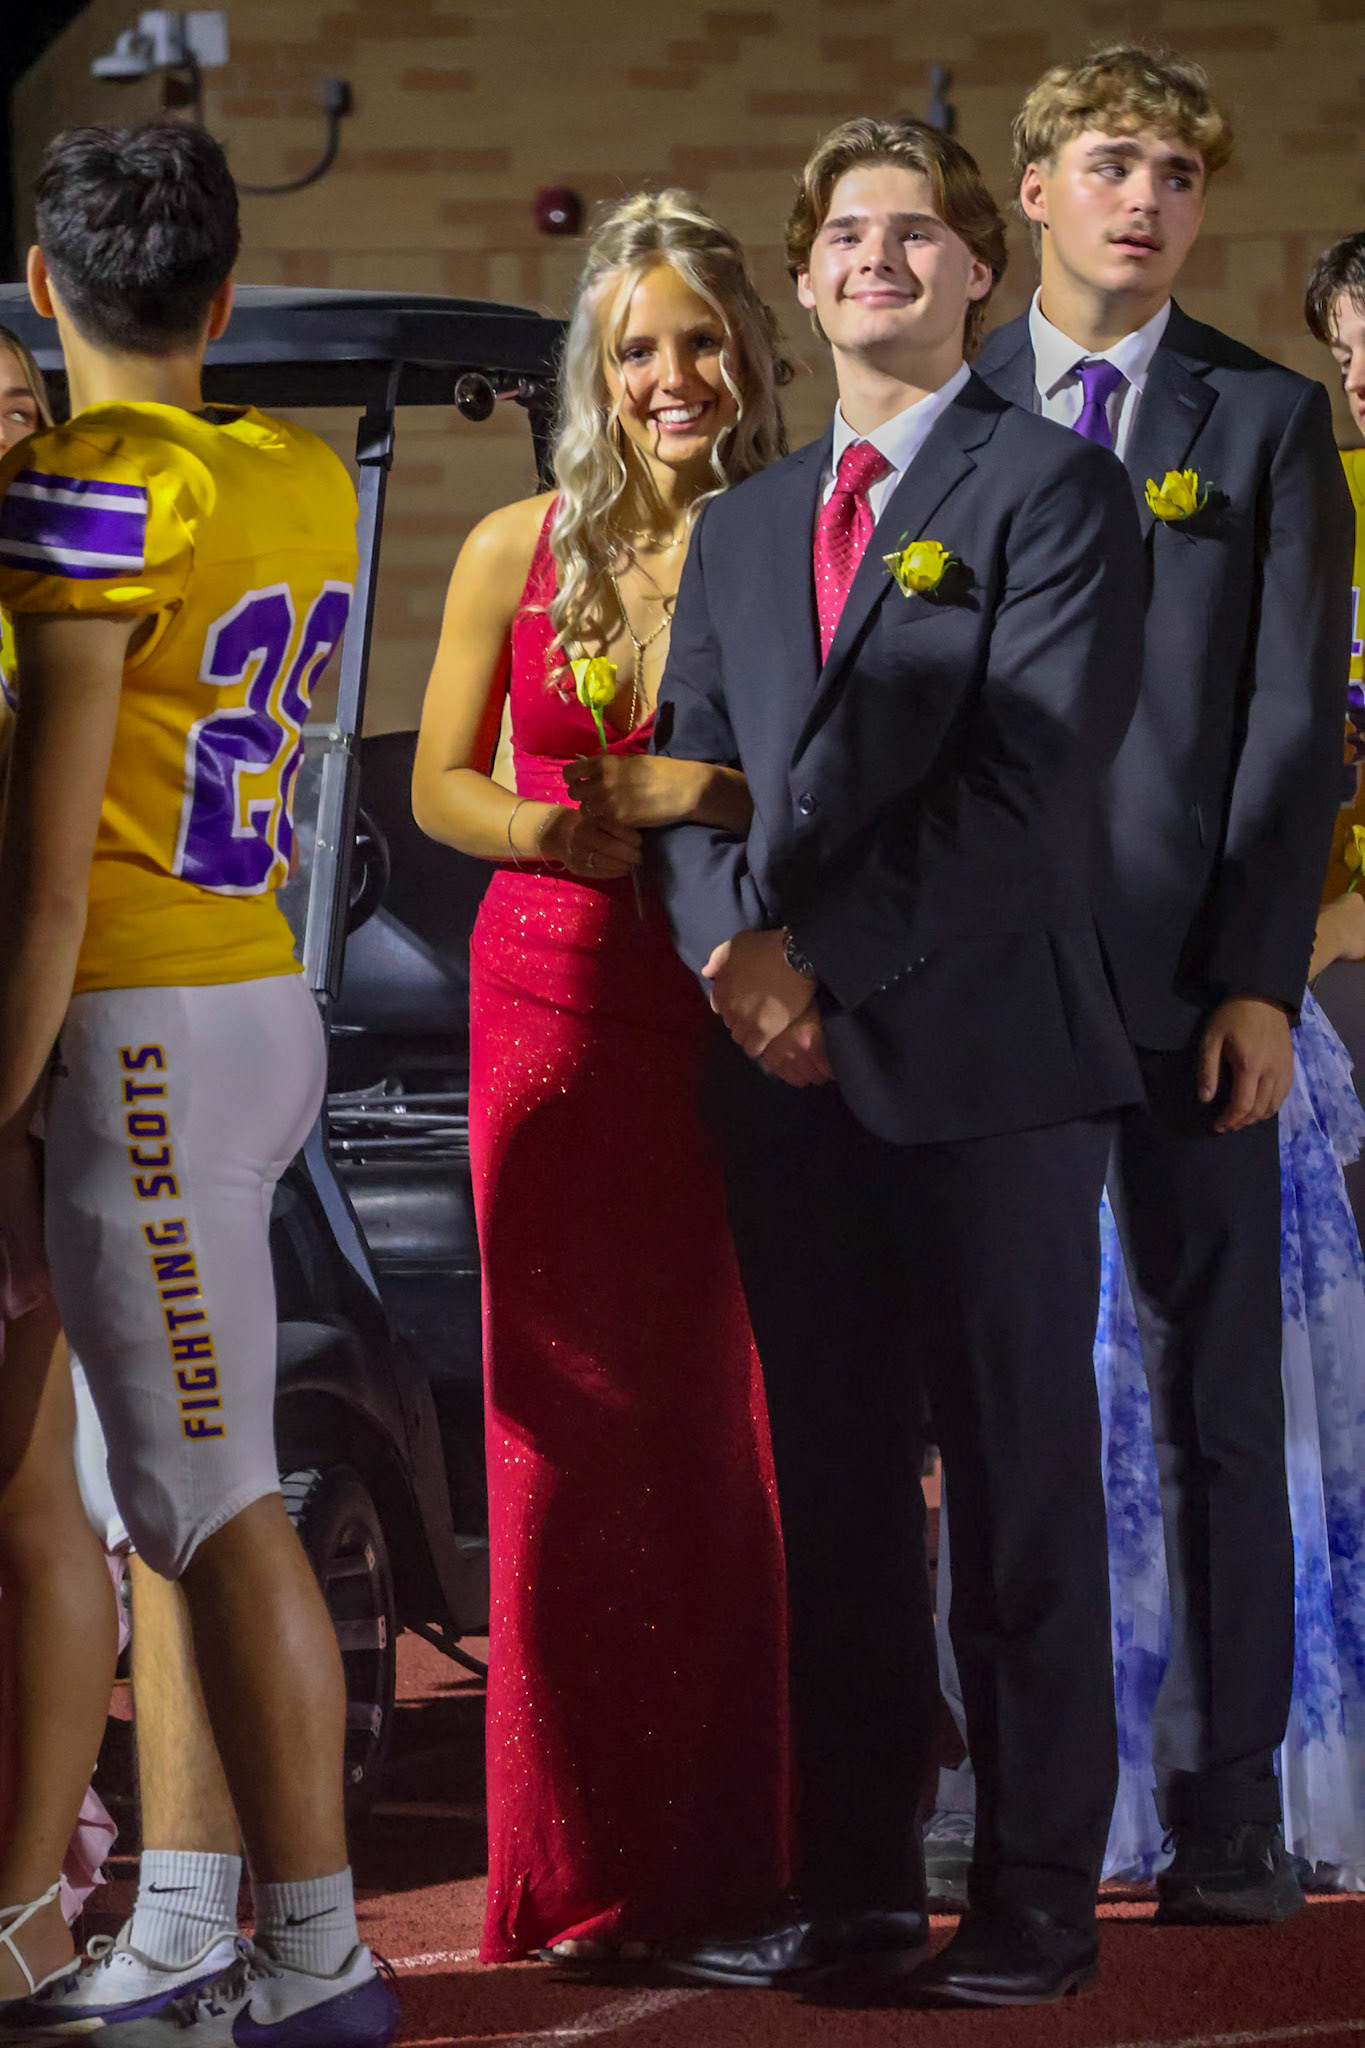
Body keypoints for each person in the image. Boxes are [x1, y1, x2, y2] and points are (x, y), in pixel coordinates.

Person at [650, 116, 1147, 2007]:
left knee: (1020, 1498)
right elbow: (693, 775)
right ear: (801, 275)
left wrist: (818, 966)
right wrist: (721, 952)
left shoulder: (1054, 494)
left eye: (916, 234)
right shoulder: (746, 519)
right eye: (844, 234)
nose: (877, 259)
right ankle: (855, 1883)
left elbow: (1028, 788)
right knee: (842, 1496)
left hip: (991, 1071)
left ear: (974, 273)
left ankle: (1036, 1897)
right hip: (780, 1083)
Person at [0, 123, 400, 2046]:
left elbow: (54, 866)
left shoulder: (88, 484)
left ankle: (316, 1953)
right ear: (226, 293)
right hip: (255, 1002)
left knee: (210, 1495)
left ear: (45, 282)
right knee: (158, 1484)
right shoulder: (295, 472)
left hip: (143, 1021)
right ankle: (185, 1916)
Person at [965, 45, 1353, 1925]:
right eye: (1110, 163)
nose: (1145, 200)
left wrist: (1260, 982)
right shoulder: (937, 404)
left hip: (1191, 992)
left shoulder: (1265, 422)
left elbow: (1288, 734)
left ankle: (1223, 1816)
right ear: (1030, 188)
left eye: (1179, 176)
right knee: (1003, 1412)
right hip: (974, 1006)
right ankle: (1023, 1816)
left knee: (1216, 1413)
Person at [411, 190, 792, 1965]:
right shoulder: (514, 543)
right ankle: (571, 1873)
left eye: (701, 340)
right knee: (557, 1450)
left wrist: (706, 802)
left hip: (739, 1010)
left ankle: (735, 1863)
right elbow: (437, 788)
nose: (671, 375)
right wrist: (557, 830)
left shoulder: (807, 539)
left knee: (724, 1436)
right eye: (637, 347)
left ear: (749, 356)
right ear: (592, 367)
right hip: (549, 1012)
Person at [0, 321, 125, 2012]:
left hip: (18, 1093)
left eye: (23, 408)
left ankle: (26, 1902)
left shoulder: (68, 616)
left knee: (32, 1510)